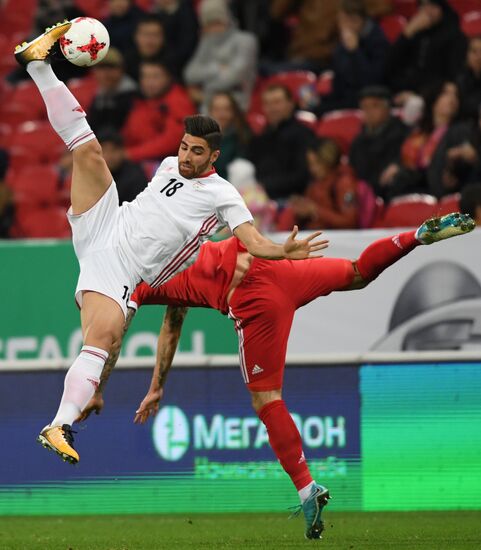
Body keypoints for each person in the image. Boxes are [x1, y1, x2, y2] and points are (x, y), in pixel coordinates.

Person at [14, 22, 325, 465]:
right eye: (183, 147)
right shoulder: (166, 165)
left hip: (122, 269)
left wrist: (282, 251)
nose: (185, 156)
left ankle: (59, 425)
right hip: (106, 224)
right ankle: (39, 66)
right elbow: (157, 177)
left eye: (196, 152)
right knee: (89, 152)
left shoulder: (224, 195)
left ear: (213, 156)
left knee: (101, 342)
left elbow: (253, 241)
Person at [78, 211, 475, 540]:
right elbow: (174, 321)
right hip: (279, 269)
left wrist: (98, 386)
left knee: (267, 399)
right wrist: (157, 386)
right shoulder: (174, 241)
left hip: (254, 303)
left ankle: (307, 489)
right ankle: (415, 236)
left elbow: (111, 337)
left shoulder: (138, 285)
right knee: (357, 272)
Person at [316, 0, 389, 115]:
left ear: (360, 20)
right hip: (345, 99)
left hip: (367, 100)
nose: (345, 26)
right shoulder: (341, 45)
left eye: (350, 21)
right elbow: (338, 86)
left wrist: (355, 52)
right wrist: (318, 99)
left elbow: (371, 81)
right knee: (312, 108)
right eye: (341, 20)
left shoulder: (377, 41)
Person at [183, 0, 258, 112]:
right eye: (210, 24)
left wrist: (205, 93)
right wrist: (217, 68)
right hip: (209, 106)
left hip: (237, 103)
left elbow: (234, 76)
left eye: (218, 22)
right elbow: (189, 74)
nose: (215, 28)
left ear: (227, 20)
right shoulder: (206, 42)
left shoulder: (245, 40)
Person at [247, 84, 317, 202]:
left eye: (277, 102)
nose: (272, 108)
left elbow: (302, 176)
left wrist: (265, 186)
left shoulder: (303, 135)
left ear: (290, 104)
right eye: (267, 104)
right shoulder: (259, 137)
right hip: (258, 196)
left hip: (290, 198)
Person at [386, 0, 466, 96]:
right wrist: (406, 34)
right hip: (405, 89)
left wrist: (418, 94)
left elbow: (451, 75)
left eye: (432, 5)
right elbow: (390, 66)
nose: (427, 10)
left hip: (435, 91)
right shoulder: (414, 32)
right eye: (423, 5)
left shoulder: (454, 35)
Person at [122, 58, 196, 162]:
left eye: (155, 77)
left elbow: (172, 141)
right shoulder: (142, 100)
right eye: (145, 76)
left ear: (168, 77)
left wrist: (130, 154)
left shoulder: (178, 101)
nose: (149, 83)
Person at [277, 138, 359, 230]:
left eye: (317, 163)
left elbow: (350, 222)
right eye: (310, 164)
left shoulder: (343, 183)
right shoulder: (315, 184)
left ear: (328, 160)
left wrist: (315, 210)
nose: (312, 169)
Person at [349, 86, 409, 199]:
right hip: (363, 197)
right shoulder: (358, 141)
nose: (369, 112)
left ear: (387, 108)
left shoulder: (402, 133)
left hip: (391, 193)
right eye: (365, 107)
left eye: (375, 106)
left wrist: (398, 166)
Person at [87, 47, 138, 135]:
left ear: (122, 70)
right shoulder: (99, 95)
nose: (106, 73)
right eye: (101, 67)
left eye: (111, 67)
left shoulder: (134, 97)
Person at [208, 91, 252, 179]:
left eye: (226, 109)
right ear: (210, 112)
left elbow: (241, 170)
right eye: (217, 109)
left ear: (233, 112)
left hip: (232, 186)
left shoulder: (242, 136)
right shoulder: (199, 137)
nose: (221, 114)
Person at [97, 132, 148, 204]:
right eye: (104, 151)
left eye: (113, 150)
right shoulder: (92, 174)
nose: (109, 156)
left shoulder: (135, 177)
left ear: (122, 151)